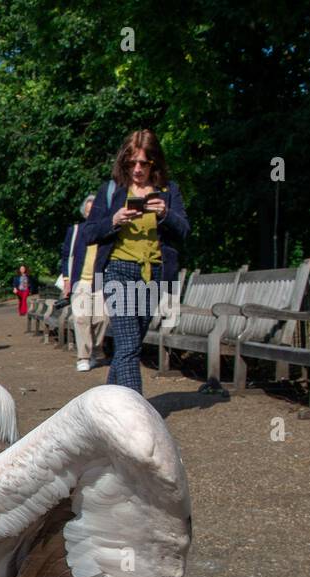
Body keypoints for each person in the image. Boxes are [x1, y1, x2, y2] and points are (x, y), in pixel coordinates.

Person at [85, 129, 190, 393]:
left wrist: (166, 214)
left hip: (153, 274)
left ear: (154, 162)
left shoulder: (168, 190)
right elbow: (88, 233)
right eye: (132, 163)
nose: (138, 169)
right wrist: (114, 220)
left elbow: (185, 231)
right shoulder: (111, 191)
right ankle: (137, 415)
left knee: (128, 346)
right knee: (129, 344)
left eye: (144, 163)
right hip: (118, 271)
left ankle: (107, 405)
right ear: (124, 162)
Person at [60, 194, 108, 372]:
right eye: (89, 212)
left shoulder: (106, 231)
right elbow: (66, 256)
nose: (92, 215)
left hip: (101, 281)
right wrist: (66, 280)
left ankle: (95, 349)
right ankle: (83, 356)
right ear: (84, 213)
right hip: (79, 281)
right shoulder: (76, 231)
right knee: (81, 318)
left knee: (102, 318)